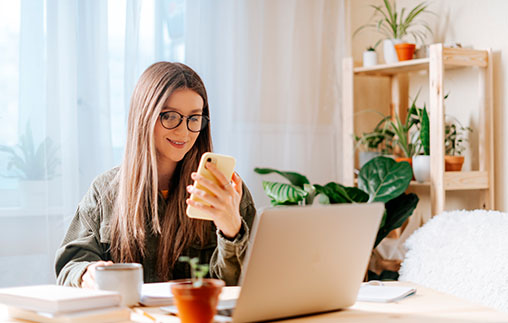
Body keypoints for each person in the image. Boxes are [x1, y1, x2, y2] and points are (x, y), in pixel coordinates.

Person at [55, 62, 256, 288]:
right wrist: (87, 273)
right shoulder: (105, 191)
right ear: (145, 116)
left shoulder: (226, 192)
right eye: (170, 116)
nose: (183, 131)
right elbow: (69, 265)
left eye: (194, 118)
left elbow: (244, 285)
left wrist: (231, 231)